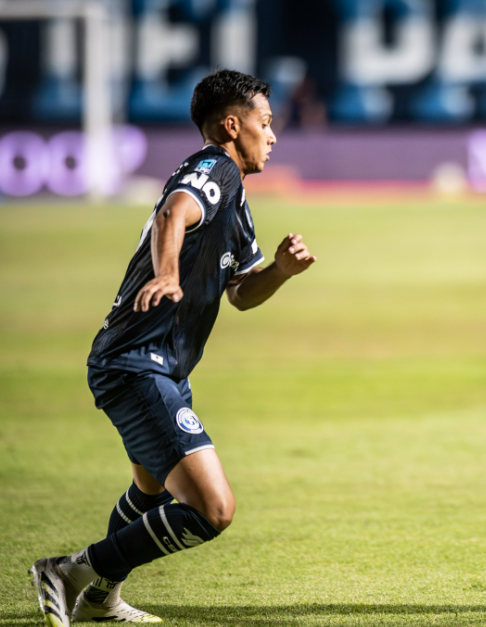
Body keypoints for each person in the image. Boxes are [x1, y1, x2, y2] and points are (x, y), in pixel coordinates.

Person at [29, 69, 317, 626]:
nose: (273, 135)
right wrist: (167, 274)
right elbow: (175, 212)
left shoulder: (237, 201)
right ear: (232, 126)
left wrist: (279, 271)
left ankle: (100, 600)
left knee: (150, 491)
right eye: (266, 122)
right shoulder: (215, 167)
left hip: (156, 363)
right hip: (139, 362)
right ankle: (68, 573)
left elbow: (240, 294)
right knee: (213, 509)